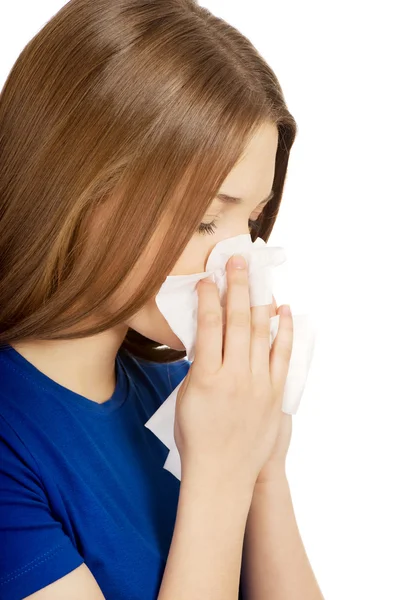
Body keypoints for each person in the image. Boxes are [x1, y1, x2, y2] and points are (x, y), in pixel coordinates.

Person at [0, 1, 324, 598]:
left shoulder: (181, 395)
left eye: (251, 222)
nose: (239, 262)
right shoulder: (11, 440)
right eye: (205, 222)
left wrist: (262, 465)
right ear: (75, 190)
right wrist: (221, 475)